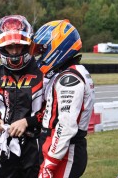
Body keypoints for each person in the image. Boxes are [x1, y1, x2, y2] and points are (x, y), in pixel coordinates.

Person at [0, 15, 45, 178]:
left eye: (18, 46)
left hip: (37, 147)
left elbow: (52, 112)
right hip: (5, 147)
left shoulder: (44, 74)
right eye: (9, 47)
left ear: (27, 45)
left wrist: (27, 122)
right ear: (0, 47)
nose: (14, 51)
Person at [30, 19, 95, 178]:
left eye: (43, 49)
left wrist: (50, 162)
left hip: (65, 152)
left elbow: (66, 125)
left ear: (57, 46)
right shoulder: (71, 72)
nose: (40, 55)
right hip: (60, 147)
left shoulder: (69, 79)